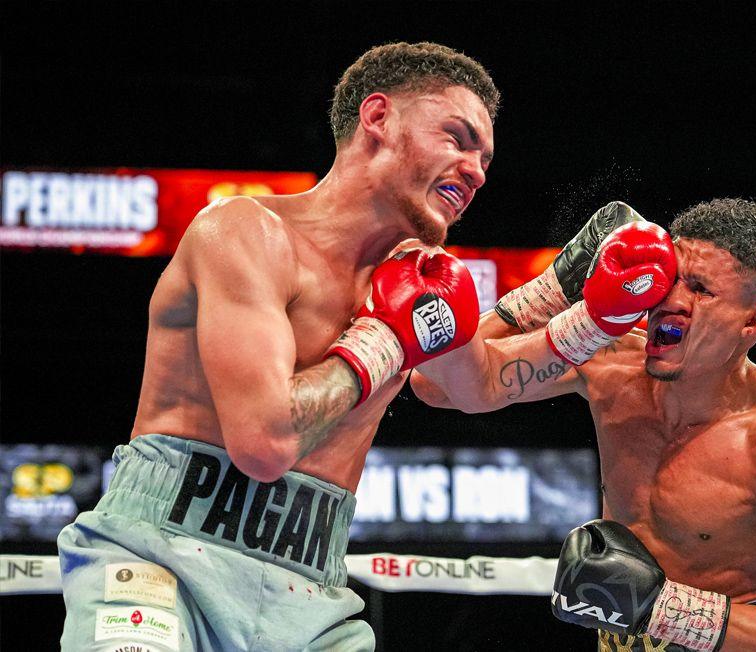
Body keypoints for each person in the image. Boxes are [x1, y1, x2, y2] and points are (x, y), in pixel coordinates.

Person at [57, 41, 499, 651]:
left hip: (310, 596)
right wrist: (385, 341)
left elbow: (488, 380)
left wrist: (587, 301)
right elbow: (264, 444)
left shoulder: (417, 284)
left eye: (484, 158)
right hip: (159, 562)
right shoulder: (244, 232)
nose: (476, 170)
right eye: (457, 138)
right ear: (377, 119)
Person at [411, 198, 756, 650]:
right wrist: (558, 287)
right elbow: (438, 385)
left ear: (755, 318)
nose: (673, 300)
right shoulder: (609, 364)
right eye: (672, 278)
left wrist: (661, 609)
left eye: (702, 290)